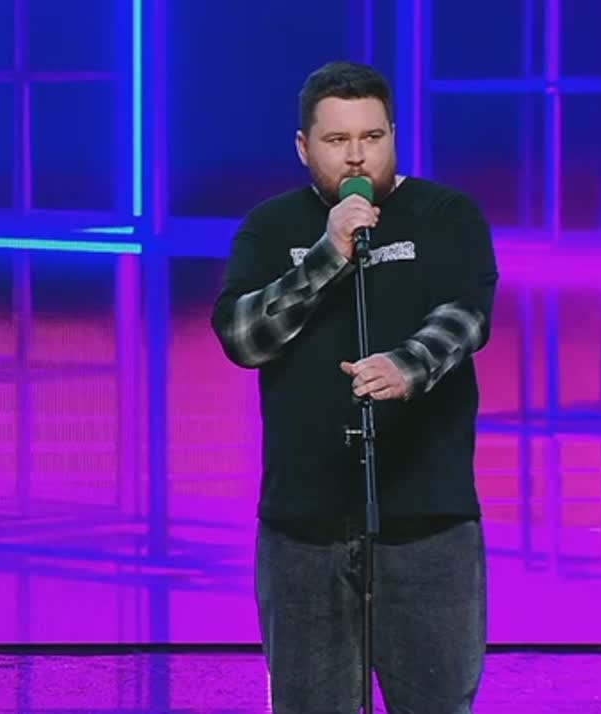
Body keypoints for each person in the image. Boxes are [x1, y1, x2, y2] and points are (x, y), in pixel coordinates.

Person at [210, 62, 498, 713]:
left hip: (429, 523)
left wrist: (406, 367)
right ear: (303, 147)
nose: (357, 155)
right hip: (303, 527)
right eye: (337, 140)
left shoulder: (447, 215)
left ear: (394, 135)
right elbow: (241, 336)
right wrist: (327, 255)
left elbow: (465, 319)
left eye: (372, 136)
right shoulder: (271, 226)